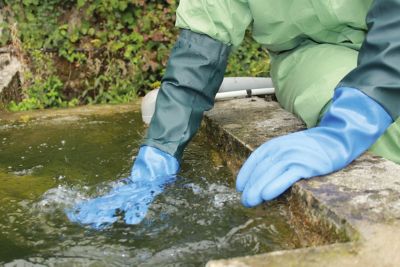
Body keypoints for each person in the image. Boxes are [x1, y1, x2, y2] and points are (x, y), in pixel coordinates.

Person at [67, 0, 400, 228]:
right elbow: (201, 47)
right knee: (382, 128)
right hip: (313, 53)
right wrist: (160, 148)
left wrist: (350, 126)